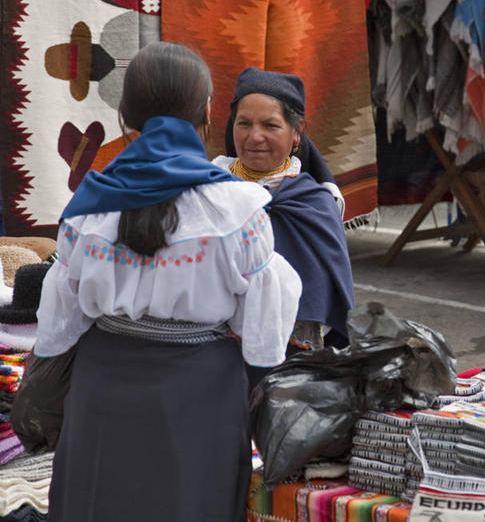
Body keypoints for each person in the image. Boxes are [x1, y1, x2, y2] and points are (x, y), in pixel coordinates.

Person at [34, 42, 302, 522]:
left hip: (102, 389)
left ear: (124, 112)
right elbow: (262, 340)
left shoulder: (86, 207)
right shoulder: (237, 209)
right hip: (199, 396)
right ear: (207, 110)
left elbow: (58, 332)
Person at [213, 67, 354, 359]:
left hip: (287, 359)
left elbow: (326, 292)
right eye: (244, 123)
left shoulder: (315, 204)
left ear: (296, 133)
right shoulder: (207, 188)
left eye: (270, 125)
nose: (255, 137)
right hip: (208, 349)